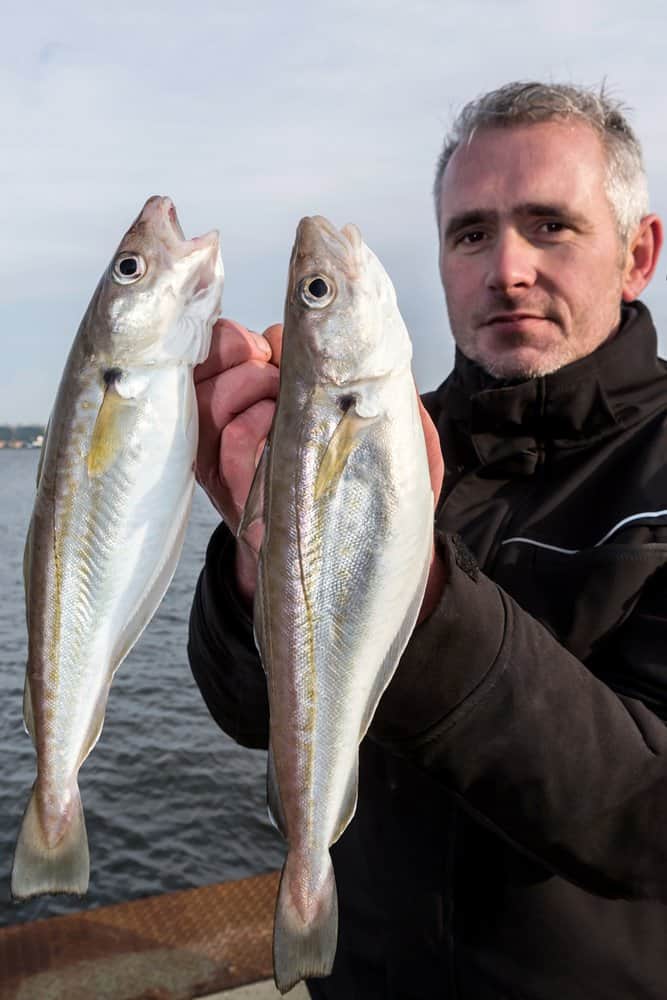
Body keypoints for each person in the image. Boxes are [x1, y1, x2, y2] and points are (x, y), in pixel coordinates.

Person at [188, 82, 667, 999]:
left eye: (550, 225)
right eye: (471, 233)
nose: (507, 269)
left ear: (637, 254)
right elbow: (247, 712)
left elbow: (645, 818)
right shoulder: (391, 443)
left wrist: (414, 587)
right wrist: (262, 558)